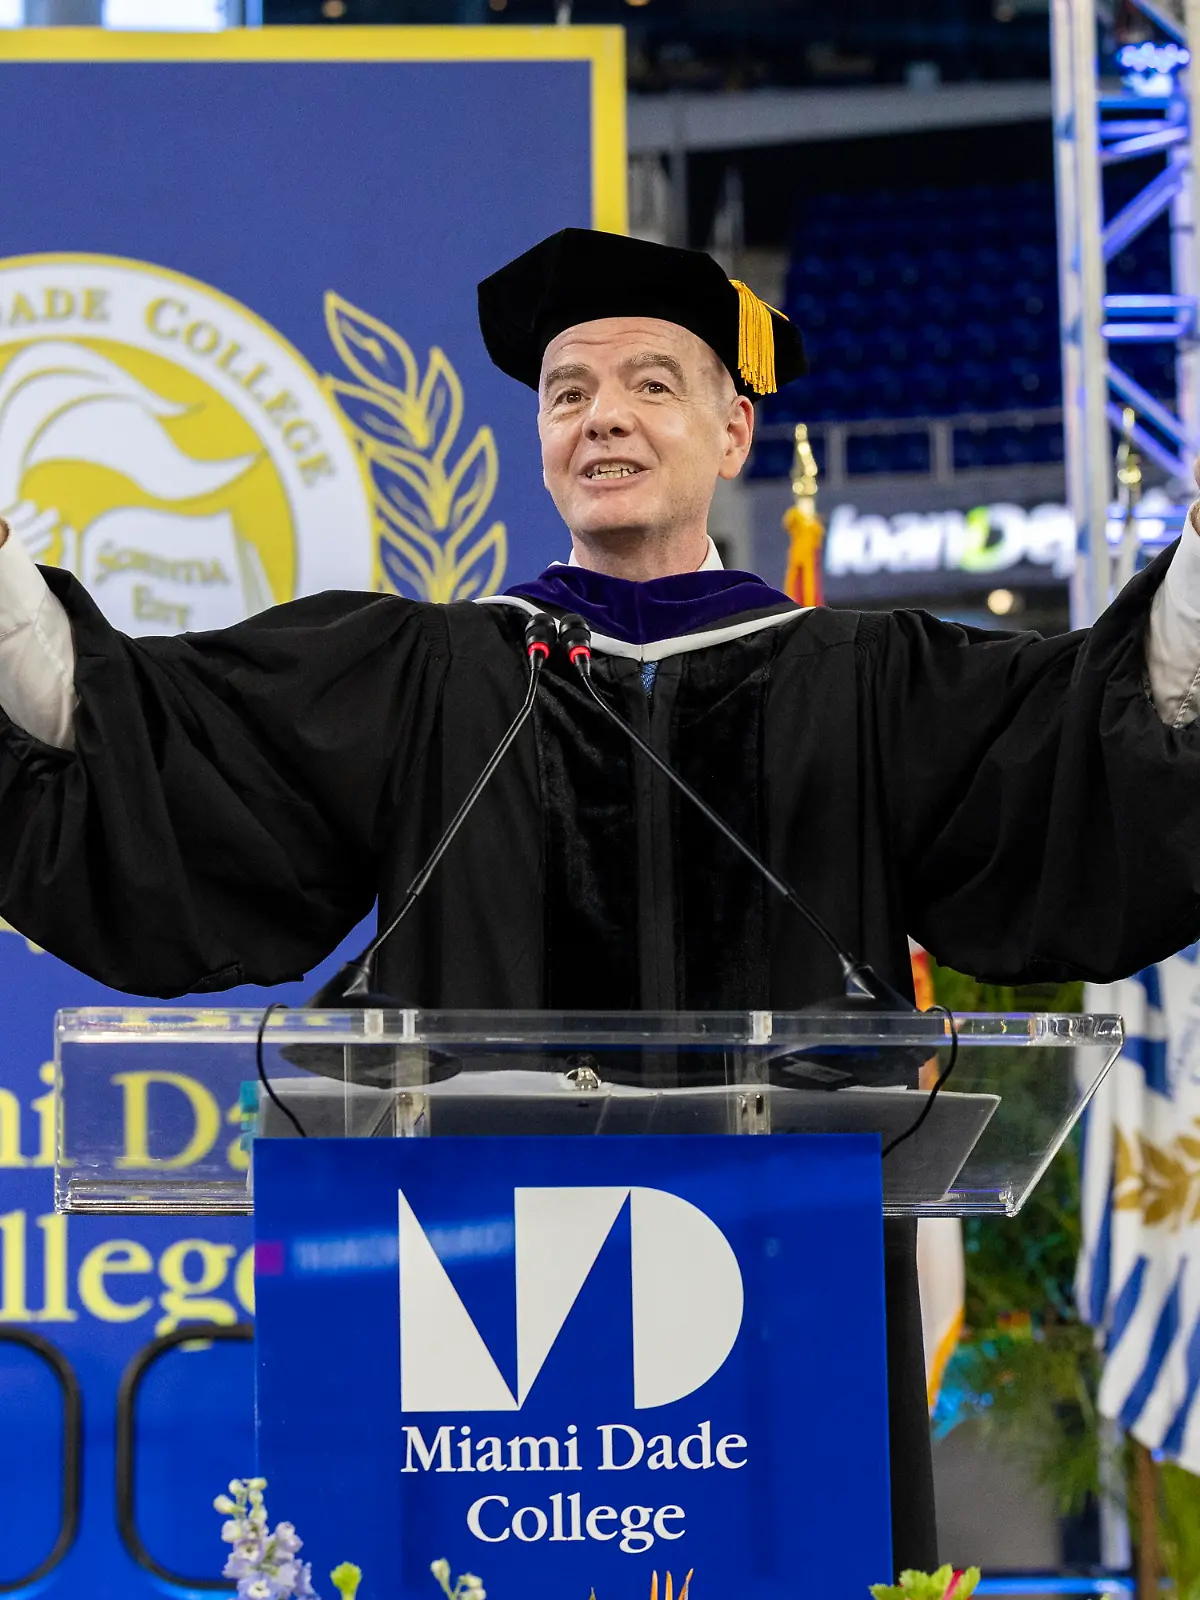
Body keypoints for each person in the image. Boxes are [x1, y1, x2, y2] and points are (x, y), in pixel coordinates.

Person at [2, 225, 1200, 1566]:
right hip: (464, 1322)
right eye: (568, 393)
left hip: (777, 1317)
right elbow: (140, 748)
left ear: (733, 430)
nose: (602, 418)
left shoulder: (867, 684)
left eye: (650, 383)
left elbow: (1104, 741)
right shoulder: (430, 676)